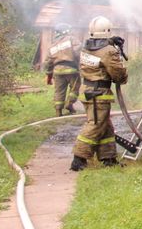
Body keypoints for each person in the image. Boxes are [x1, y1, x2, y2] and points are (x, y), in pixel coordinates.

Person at [71, 15, 127, 171]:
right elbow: (117, 74)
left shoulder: (86, 47)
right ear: (107, 30)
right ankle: (78, 159)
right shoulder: (109, 51)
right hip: (99, 94)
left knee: (105, 126)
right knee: (95, 125)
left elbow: (99, 50)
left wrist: (110, 41)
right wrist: (123, 76)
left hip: (88, 90)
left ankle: (108, 158)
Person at [43, 23, 81, 116]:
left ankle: (58, 112)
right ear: (66, 31)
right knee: (75, 87)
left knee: (59, 91)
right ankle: (69, 103)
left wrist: (49, 76)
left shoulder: (52, 46)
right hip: (71, 69)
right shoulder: (71, 39)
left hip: (57, 72)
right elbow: (78, 52)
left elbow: (48, 62)